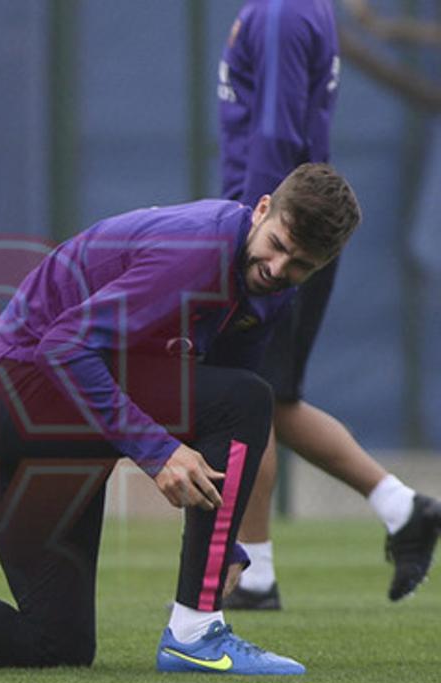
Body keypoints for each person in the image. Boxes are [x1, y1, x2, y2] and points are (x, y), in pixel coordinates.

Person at [0, 163, 360, 676]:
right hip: (19, 397)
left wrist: (221, 539)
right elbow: (64, 348)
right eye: (278, 243)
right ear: (261, 209)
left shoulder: (270, 285)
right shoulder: (197, 249)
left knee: (55, 645)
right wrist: (157, 452)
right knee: (249, 400)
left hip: (31, 418)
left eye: (301, 263)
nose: (280, 267)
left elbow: (223, 388)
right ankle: (197, 632)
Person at [217, 0, 439, 610]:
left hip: (277, 241)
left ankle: (256, 573)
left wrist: (252, 238)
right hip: (287, 234)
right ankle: (403, 507)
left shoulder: (285, 11)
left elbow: (278, 134)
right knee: (274, 399)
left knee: (248, 394)